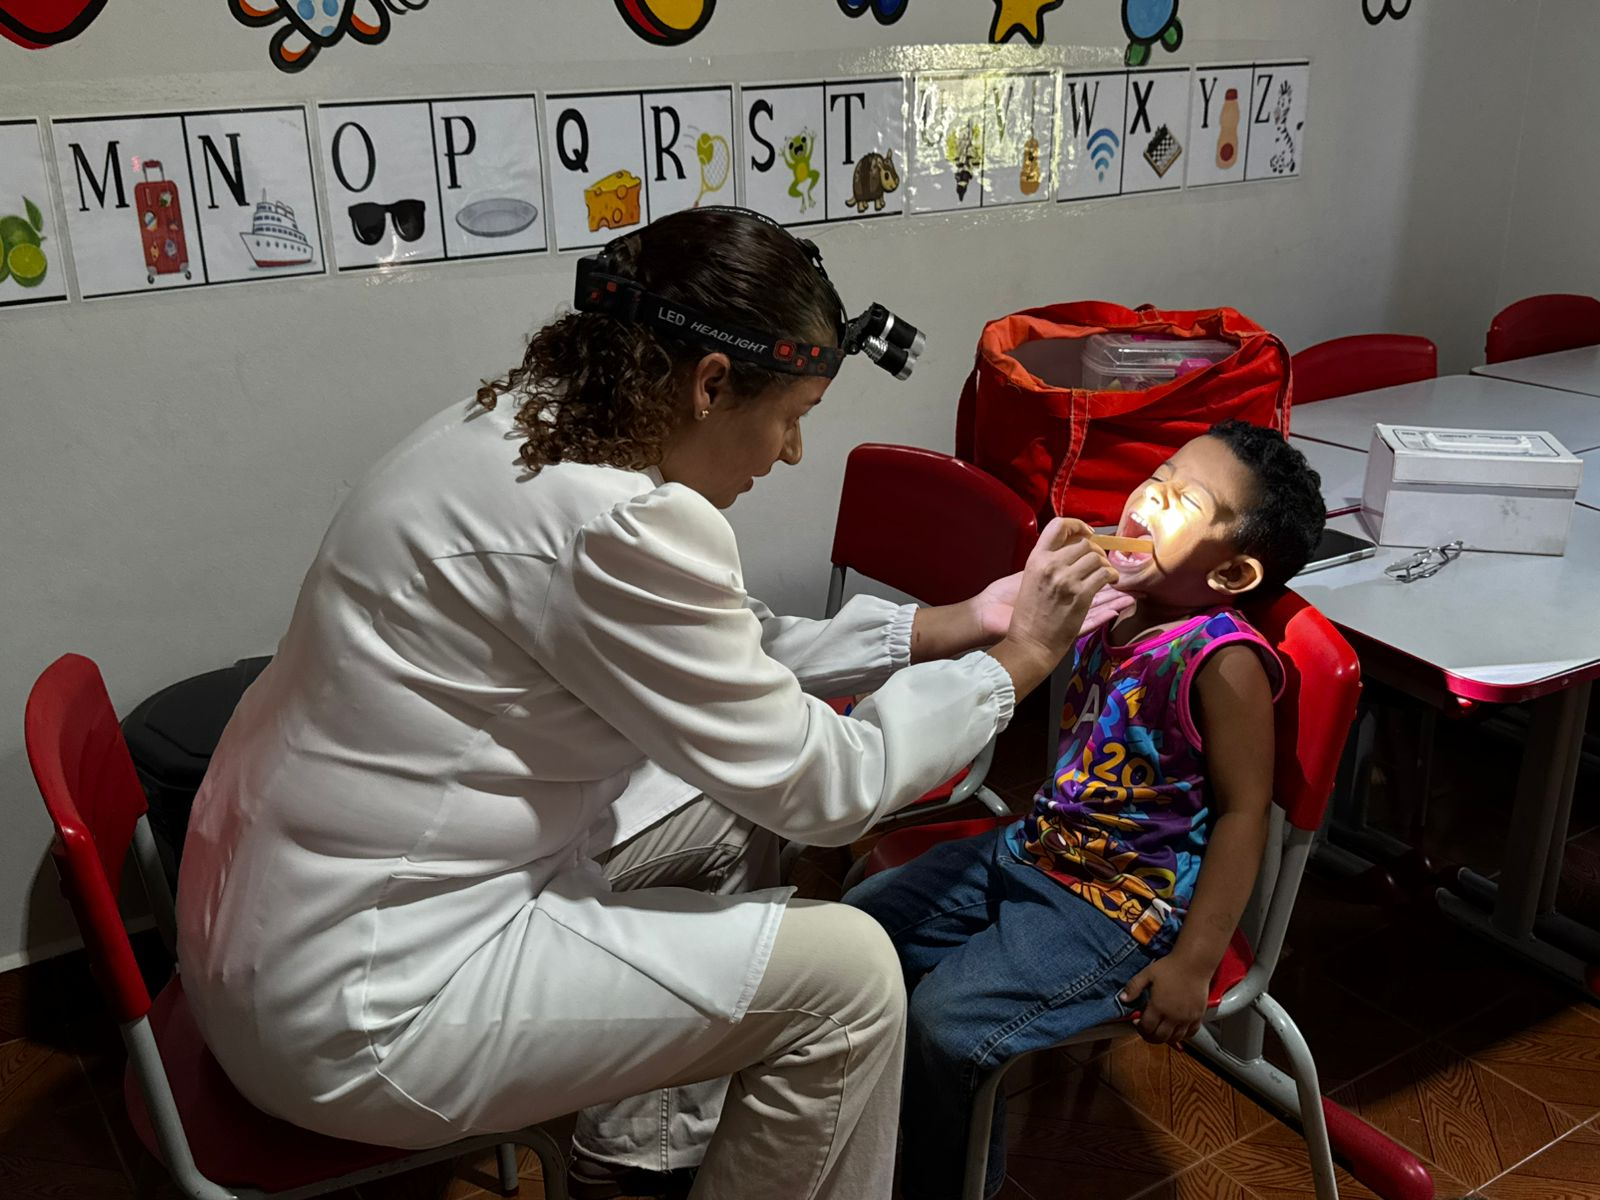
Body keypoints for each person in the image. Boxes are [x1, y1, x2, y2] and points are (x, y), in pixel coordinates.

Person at [174, 207, 1122, 1200]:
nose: (792, 452)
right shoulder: (619, 523)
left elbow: (730, 657)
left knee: (718, 800)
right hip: (360, 1005)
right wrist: (1020, 660)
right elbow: (827, 792)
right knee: (849, 979)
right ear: (713, 384)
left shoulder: (511, 424)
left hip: (264, 923)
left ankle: (641, 1159)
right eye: (791, 415)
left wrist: (963, 619)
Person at [846, 421, 1326, 1200]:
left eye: (1184, 501)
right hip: (1036, 850)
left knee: (946, 1024)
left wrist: (1194, 963)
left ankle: (957, 1182)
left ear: (1234, 571)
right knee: (854, 935)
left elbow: (1245, 813)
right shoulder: (1114, 605)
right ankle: (877, 1140)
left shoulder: (1223, 659)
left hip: (1122, 906)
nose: (1149, 497)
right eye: (1159, 475)